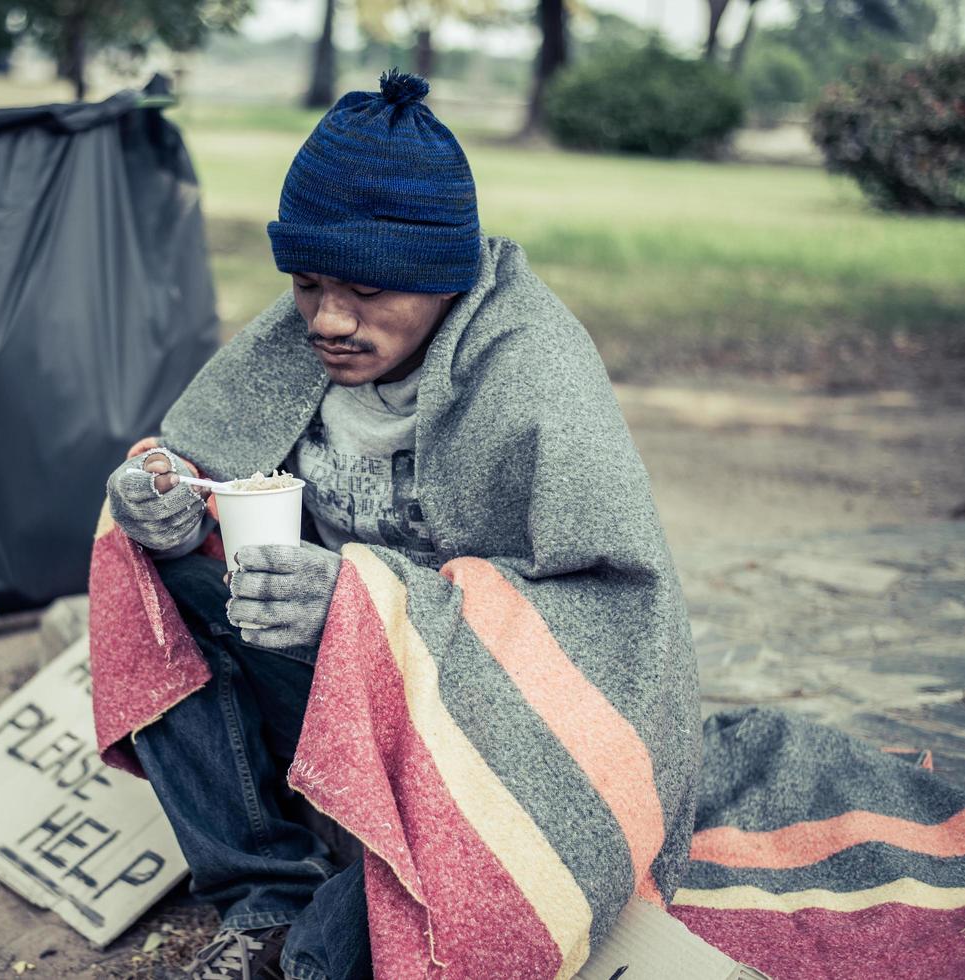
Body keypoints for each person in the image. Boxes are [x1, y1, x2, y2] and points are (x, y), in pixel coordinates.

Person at [98, 68, 697, 980]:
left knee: (348, 956)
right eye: (306, 283)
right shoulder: (296, 334)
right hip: (325, 680)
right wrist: (168, 508)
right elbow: (200, 469)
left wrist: (367, 603)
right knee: (140, 568)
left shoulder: (531, 371)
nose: (329, 319)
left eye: (370, 292)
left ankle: (320, 922)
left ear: (442, 279)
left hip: (475, 732)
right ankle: (260, 890)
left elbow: (611, 621)